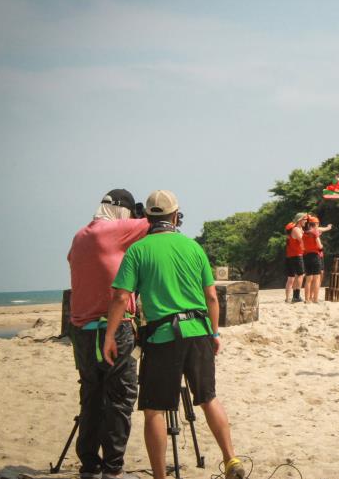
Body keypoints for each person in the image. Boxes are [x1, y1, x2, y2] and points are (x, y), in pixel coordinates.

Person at [103, 190, 245, 479]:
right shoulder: (193, 248)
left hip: (162, 336)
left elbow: (120, 298)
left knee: (154, 409)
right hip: (198, 332)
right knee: (208, 398)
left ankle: (160, 476)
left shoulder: (138, 250)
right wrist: (214, 333)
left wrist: (109, 336)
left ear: (146, 219)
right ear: (176, 217)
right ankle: (231, 459)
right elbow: (211, 297)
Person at [67, 189, 149, 479]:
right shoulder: (114, 230)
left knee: (91, 395)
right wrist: (140, 218)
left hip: (81, 330)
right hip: (113, 327)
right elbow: (157, 221)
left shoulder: (80, 236)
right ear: (122, 211)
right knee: (120, 396)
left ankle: (88, 465)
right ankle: (113, 468)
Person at [284, 213, 307, 303]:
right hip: (297, 255)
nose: (306, 221)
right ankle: (296, 296)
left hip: (290, 255)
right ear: (299, 220)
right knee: (300, 275)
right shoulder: (297, 229)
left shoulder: (297, 229)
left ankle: (287, 298)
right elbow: (303, 240)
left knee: (291, 278)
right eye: (304, 219)